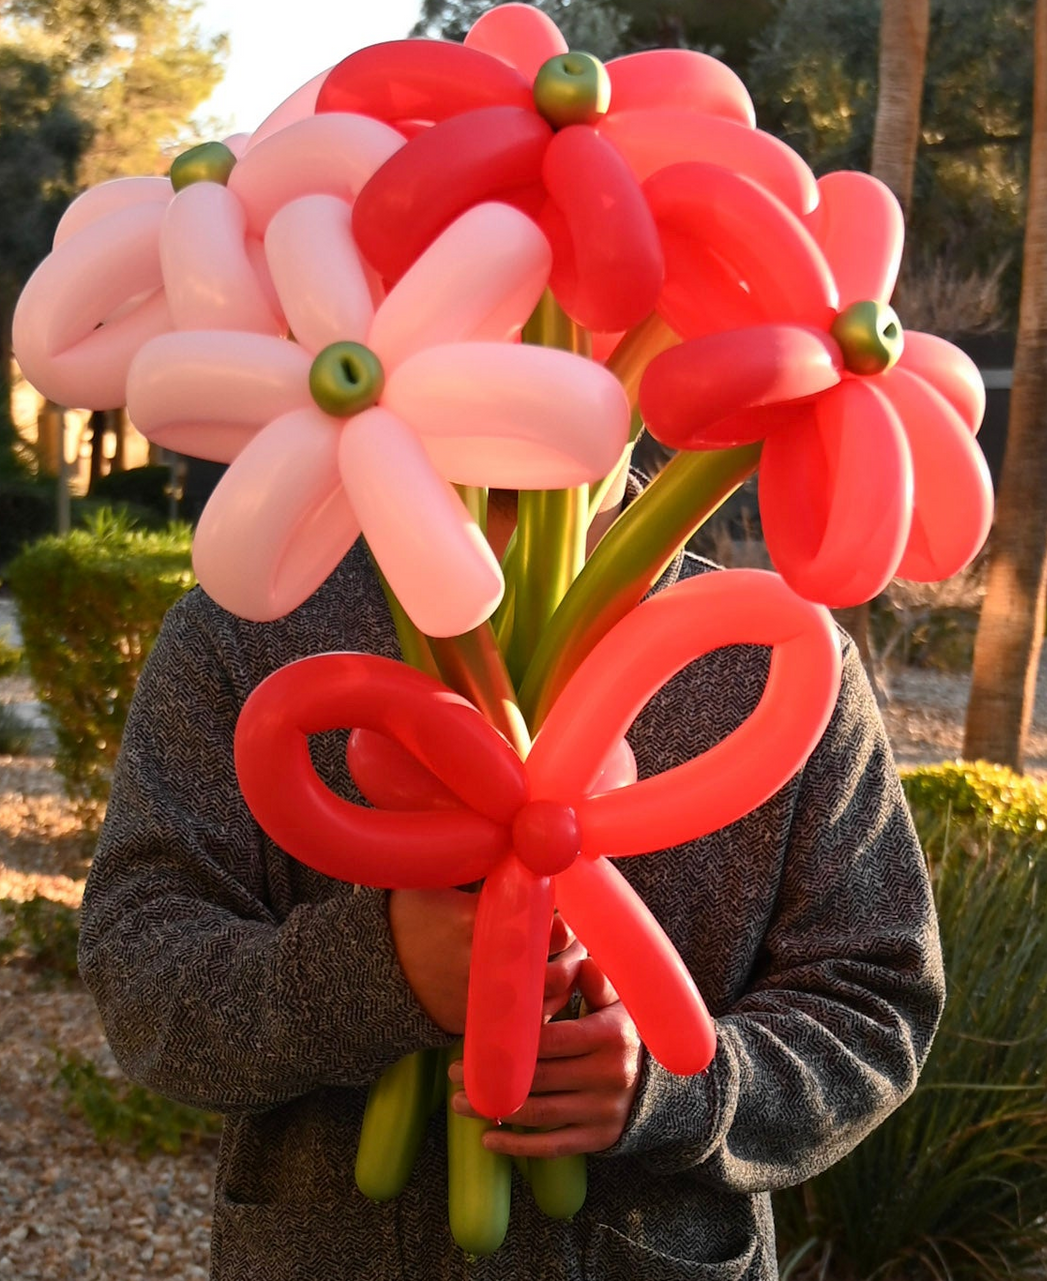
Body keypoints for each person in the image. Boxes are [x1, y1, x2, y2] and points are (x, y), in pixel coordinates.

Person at [78, 471, 945, 1280]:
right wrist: (372, 970)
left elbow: (876, 1000)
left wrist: (682, 1087)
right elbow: (141, 969)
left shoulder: (772, 660)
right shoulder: (247, 632)